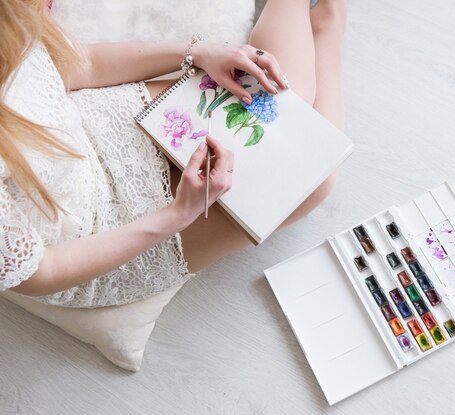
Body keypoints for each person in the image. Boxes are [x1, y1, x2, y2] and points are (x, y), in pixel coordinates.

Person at [0, 0, 347, 307]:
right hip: (94, 242)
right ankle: (329, 25)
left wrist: (197, 52)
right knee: (317, 178)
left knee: (281, 96)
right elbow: (45, 271)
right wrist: (181, 213)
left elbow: (79, 65)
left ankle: (325, 20)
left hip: (92, 133)